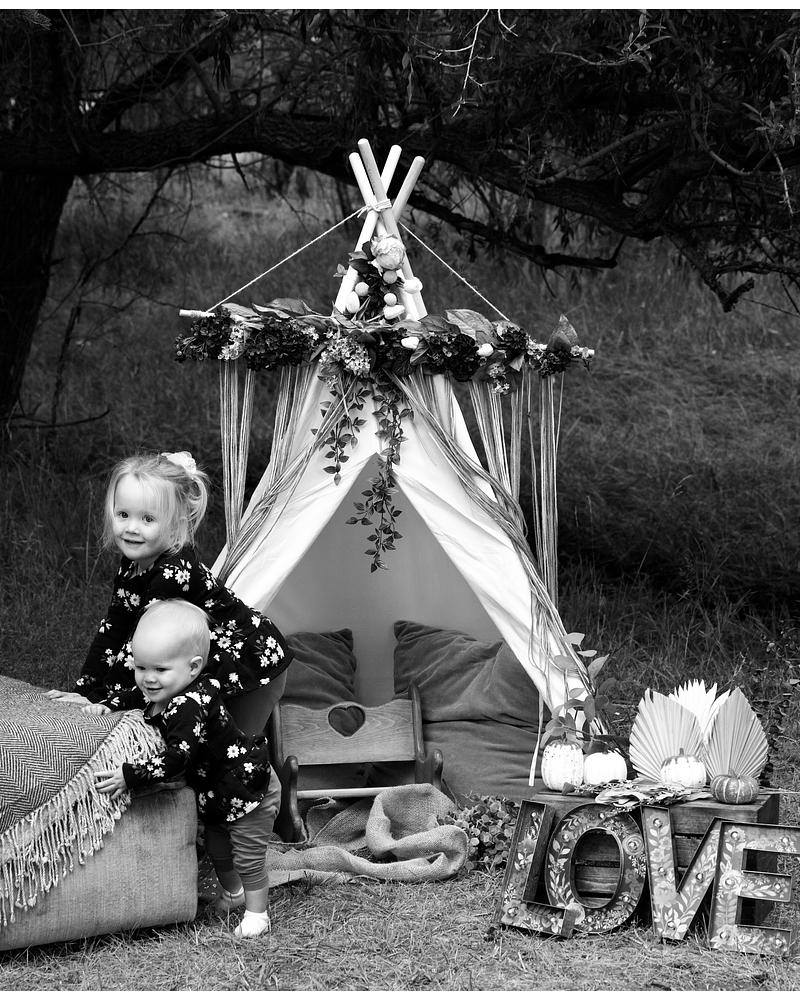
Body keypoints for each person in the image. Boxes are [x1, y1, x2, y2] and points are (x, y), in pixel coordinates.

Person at [47, 450, 291, 735]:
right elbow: (113, 630)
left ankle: (266, 762)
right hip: (207, 661)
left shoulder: (172, 573)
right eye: (123, 514)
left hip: (253, 662)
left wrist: (108, 702)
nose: (131, 528)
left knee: (232, 746)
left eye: (147, 519)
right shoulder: (132, 565)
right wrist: (85, 691)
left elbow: (141, 648)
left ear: (176, 523)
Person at [92, 599, 279, 938]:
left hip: (248, 787)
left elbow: (177, 758)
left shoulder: (188, 706)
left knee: (247, 854)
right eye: (141, 667)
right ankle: (234, 893)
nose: (148, 679)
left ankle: (257, 914)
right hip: (218, 792)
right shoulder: (167, 688)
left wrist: (130, 775)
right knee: (218, 849)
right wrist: (107, 705)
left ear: (193, 668)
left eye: (160, 670)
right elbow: (135, 695)